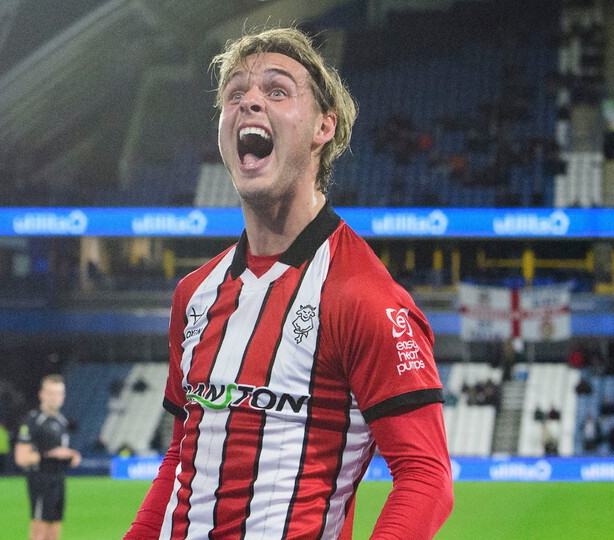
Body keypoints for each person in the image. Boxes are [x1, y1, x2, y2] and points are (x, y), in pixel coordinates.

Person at [125, 27, 453, 540]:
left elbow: (426, 477)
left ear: (325, 126)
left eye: (276, 91)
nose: (249, 102)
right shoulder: (194, 293)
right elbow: (180, 456)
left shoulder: (363, 296)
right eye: (235, 94)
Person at [15, 374, 81, 540]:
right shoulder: (33, 420)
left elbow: (60, 451)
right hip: (40, 479)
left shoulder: (61, 421)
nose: (55, 397)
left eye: (59, 393)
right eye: (50, 393)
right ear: (41, 394)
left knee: (55, 528)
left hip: (58, 478)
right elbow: (21, 457)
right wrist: (50, 455)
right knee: (40, 529)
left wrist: (71, 455)